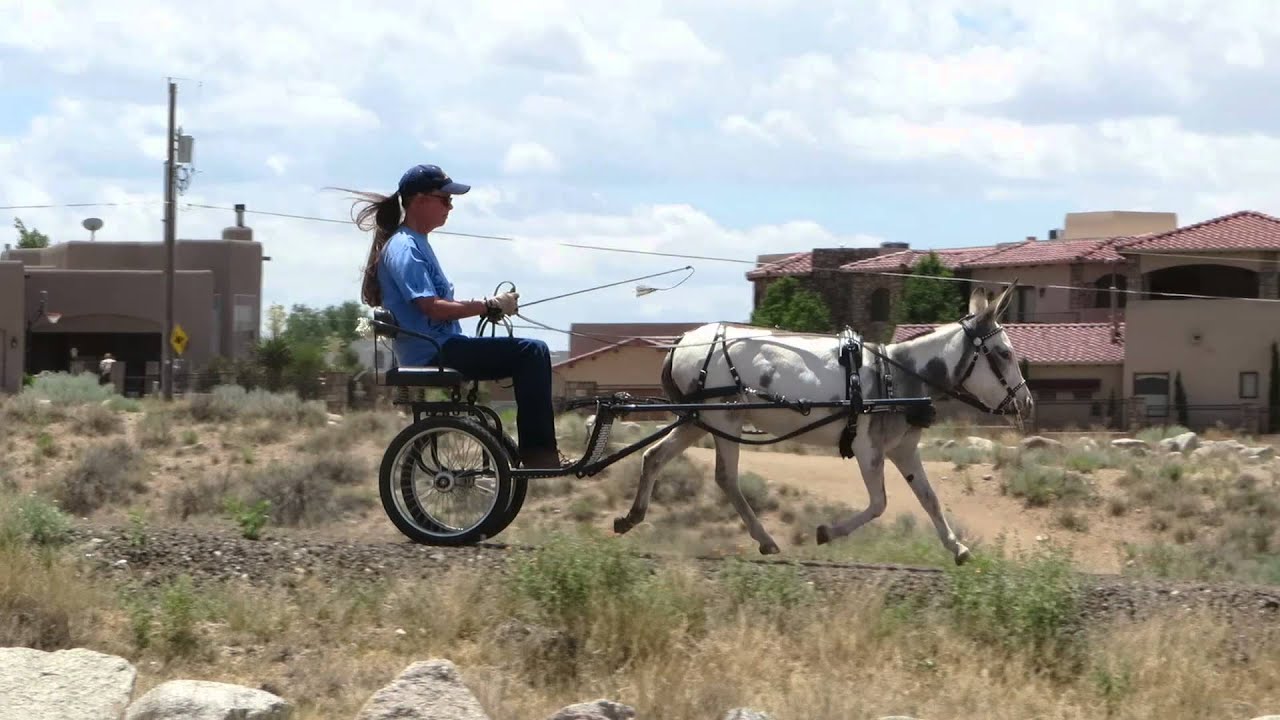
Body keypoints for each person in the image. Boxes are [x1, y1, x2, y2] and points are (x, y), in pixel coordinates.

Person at [352, 164, 567, 470]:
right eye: (445, 199)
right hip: (434, 352)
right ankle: (539, 454)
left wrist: (488, 307)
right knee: (532, 352)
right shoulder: (404, 247)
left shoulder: (416, 243)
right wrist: (487, 305)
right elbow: (431, 306)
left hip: (443, 346)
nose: (450, 206)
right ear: (419, 200)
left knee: (532, 353)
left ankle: (537, 452)